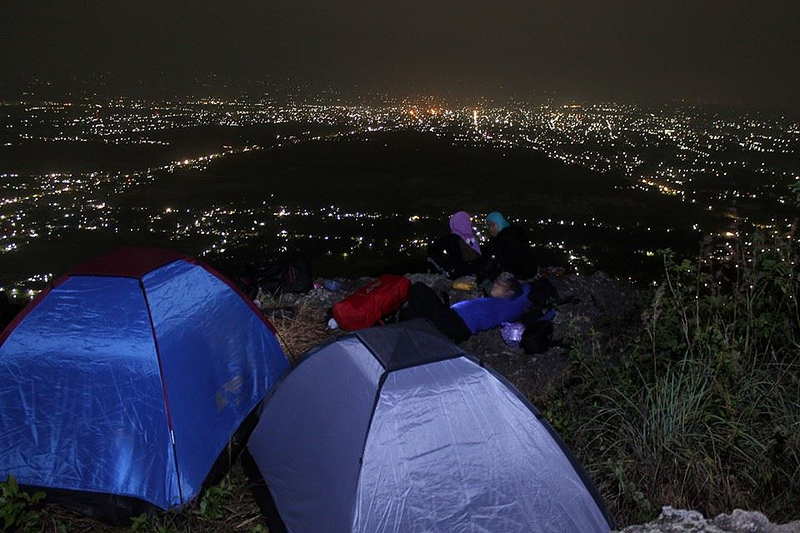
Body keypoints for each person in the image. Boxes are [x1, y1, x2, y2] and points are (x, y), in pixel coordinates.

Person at [401, 273, 531, 343]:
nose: (496, 284)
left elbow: (526, 291)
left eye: (501, 284)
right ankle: (416, 326)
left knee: (418, 288)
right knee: (407, 311)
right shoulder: (495, 301)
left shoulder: (508, 307)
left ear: (510, 293)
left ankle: (415, 329)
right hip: (450, 319)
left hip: (455, 325)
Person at [481, 211, 537, 281]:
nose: (490, 229)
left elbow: (510, 262)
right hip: (521, 273)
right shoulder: (501, 237)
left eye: (493, 225)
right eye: (489, 226)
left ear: (499, 223)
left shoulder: (508, 238)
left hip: (521, 275)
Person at [427, 211, 483, 279]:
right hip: (474, 273)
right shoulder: (472, 238)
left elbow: (432, 250)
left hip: (456, 274)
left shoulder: (450, 238)